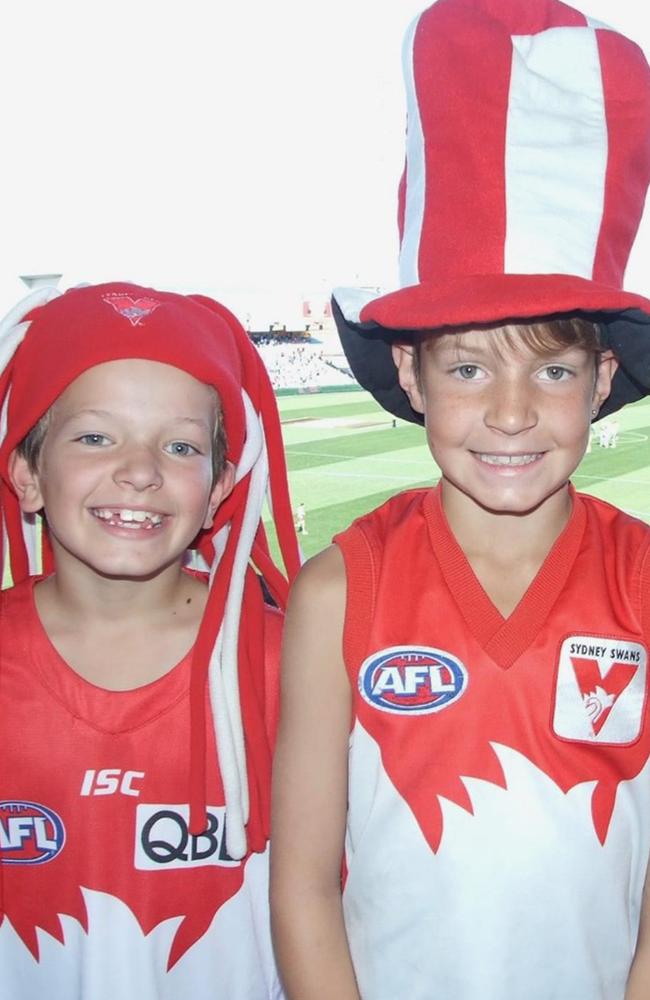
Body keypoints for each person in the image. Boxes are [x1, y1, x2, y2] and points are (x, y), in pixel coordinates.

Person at [270, 3, 650, 999]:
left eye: (554, 372)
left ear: (601, 377)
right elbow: (303, 884)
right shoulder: (336, 592)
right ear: (409, 371)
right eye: (469, 368)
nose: (513, 414)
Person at [0, 282, 301, 999]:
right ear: (26, 471)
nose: (140, 471)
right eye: (95, 437)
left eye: (180, 445)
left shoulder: (288, 664)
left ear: (220, 484)